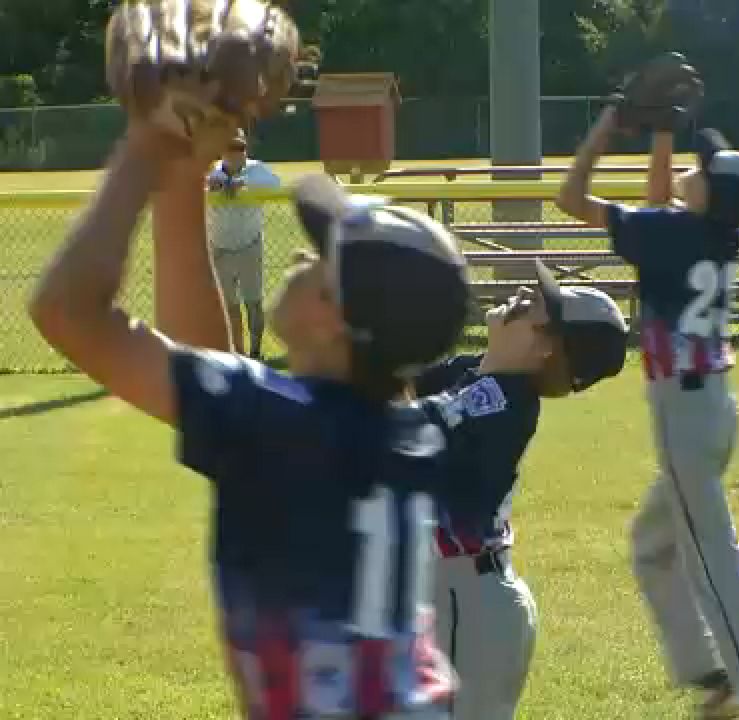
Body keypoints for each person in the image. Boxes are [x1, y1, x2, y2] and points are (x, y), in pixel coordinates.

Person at [27, 116, 471, 718]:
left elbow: (66, 310)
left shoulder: (278, 426)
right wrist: (186, 177)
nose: (296, 255)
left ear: (334, 317)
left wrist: (144, 151)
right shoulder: (407, 431)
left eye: (318, 258)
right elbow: (211, 366)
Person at [556, 105, 739, 720]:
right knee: (651, 545)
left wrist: (607, 128)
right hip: (715, 409)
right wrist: (662, 132)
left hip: (686, 415)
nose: (693, 171)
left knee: (719, 566)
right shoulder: (710, 233)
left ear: (710, 195)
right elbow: (661, 202)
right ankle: (711, 675)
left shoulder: (673, 234)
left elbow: (570, 196)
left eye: (703, 169)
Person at [413, 261, 629, 720]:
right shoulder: (473, 372)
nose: (521, 296)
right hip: (451, 593)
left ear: (547, 346)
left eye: (537, 306)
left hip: (468, 602)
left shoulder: (506, 404)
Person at [207, 128, 281, 359]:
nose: (237, 153)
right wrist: (215, 186)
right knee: (229, 305)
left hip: (248, 245)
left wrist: (241, 183)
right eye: (232, 148)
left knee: (253, 302)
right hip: (219, 247)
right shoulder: (212, 173)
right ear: (222, 150)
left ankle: (255, 352)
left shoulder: (256, 169)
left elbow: (274, 184)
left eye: (241, 148)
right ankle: (237, 353)